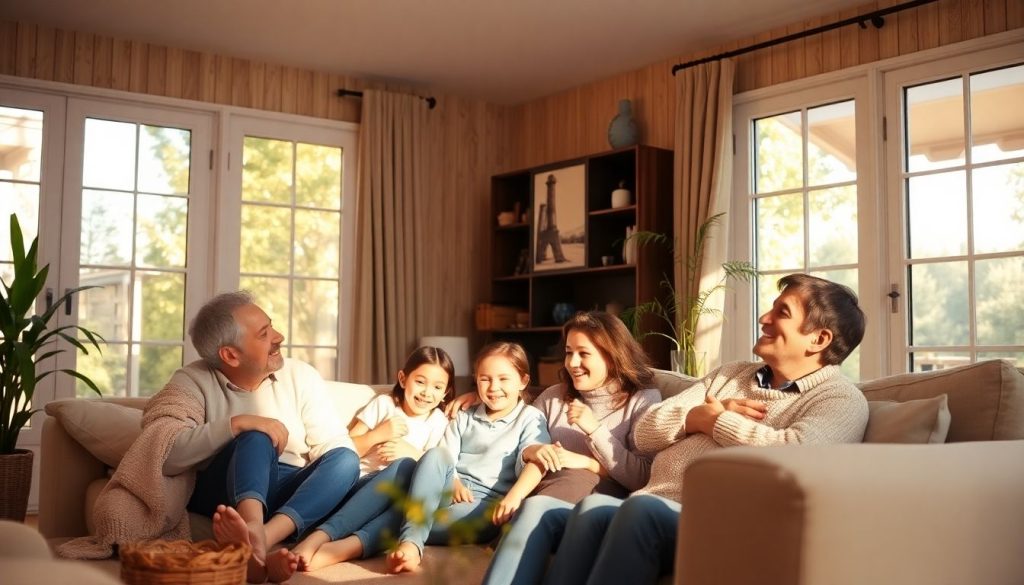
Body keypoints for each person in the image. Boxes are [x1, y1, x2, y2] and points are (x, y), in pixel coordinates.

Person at [540, 273, 870, 585]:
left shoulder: (840, 398)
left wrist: (717, 421)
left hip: (724, 522)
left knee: (640, 510)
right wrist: (695, 417)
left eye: (781, 312)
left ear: (819, 339)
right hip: (653, 503)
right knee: (590, 509)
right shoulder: (731, 374)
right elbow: (646, 429)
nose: (764, 318)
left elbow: (799, 457)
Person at [163, 291, 361, 583]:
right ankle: (252, 528)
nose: (279, 337)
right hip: (224, 489)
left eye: (272, 326)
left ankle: (260, 540)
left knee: (347, 459)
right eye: (264, 334)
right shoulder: (190, 381)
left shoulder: (300, 375)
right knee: (256, 437)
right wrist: (239, 424)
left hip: (287, 489)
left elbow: (333, 443)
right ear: (231, 355)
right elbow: (168, 455)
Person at [480, 311, 661, 585]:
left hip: (591, 509)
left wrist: (594, 437)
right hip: (538, 497)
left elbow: (643, 476)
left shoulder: (643, 401)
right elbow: (517, 443)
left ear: (612, 355)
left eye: (583, 353)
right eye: (568, 352)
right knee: (534, 506)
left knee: (542, 503)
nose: (573, 363)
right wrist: (530, 451)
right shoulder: (554, 396)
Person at [385, 341, 551, 574]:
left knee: (395, 516)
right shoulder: (464, 416)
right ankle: (411, 542)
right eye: (485, 379)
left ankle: (408, 539)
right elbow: (445, 458)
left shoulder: (531, 418)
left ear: (523, 381)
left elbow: (536, 459)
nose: (494, 387)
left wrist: (513, 498)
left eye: (504, 379)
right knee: (435, 454)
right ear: (476, 380)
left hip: (484, 504)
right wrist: (453, 482)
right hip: (445, 490)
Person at [290, 346, 453, 571]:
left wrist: (412, 452)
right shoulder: (385, 405)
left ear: (446, 393)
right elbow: (344, 450)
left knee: (407, 502)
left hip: (397, 498)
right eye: (420, 382)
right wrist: (378, 435)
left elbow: (434, 474)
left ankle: (339, 550)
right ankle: (319, 538)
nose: (427, 393)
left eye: (437, 387)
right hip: (360, 487)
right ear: (403, 379)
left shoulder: (438, 422)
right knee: (405, 467)